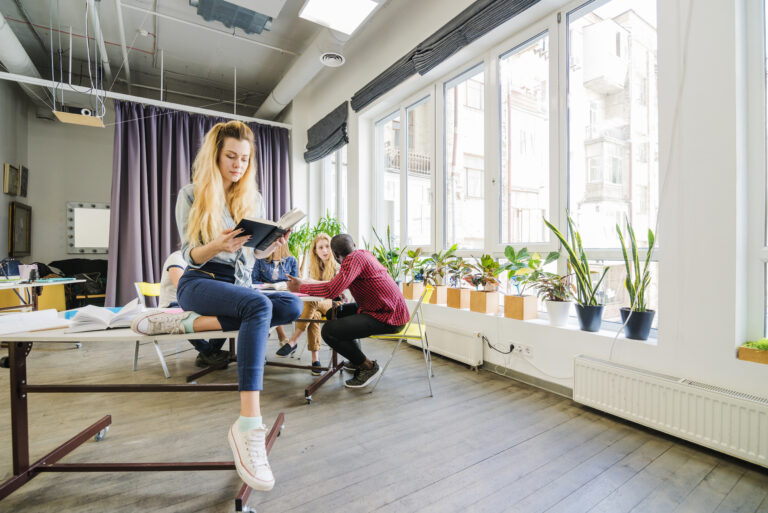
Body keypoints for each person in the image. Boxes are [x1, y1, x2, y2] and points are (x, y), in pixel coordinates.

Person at [131, 121, 302, 491]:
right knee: (258, 307)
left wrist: (268, 247)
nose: (238, 164)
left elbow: (252, 257)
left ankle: (182, 324)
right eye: (230, 156)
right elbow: (189, 253)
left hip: (237, 287)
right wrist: (217, 246)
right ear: (216, 155)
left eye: (244, 158)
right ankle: (248, 426)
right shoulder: (191, 194)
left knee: (290, 304)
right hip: (200, 281)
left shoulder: (248, 200)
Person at [287, 233, 408, 389]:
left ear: (336, 255)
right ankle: (356, 357)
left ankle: (368, 366)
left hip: (388, 317)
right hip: (381, 308)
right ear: (354, 245)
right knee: (333, 313)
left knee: (329, 331)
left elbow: (332, 290)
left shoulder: (352, 260)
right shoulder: (362, 254)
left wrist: (301, 286)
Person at [276, 233, 338, 375]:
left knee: (314, 301)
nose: (325, 250)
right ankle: (315, 360)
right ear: (315, 251)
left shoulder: (337, 265)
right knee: (314, 315)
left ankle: (293, 340)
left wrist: (312, 283)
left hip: (335, 304)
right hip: (318, 305)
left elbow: (334, 286)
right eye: (320, 247)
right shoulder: (314, 266)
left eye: (327, 246)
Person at [158, 250, 228, 368]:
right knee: (221, 314)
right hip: (174, 305)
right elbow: (182, 288)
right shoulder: (177, 258)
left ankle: (208, 354)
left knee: (227, 310)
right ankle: (208, 352)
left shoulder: (206, 260)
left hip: (191, 303)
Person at [252, 244, 298, 348]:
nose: (275, 247)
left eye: (278, 244)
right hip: (265, 292)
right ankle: (280, 336)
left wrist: (282, 285)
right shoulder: (261, 259)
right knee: (268, 304)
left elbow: (295, 283)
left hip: (283, 293)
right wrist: (268, 285)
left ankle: (264, 339)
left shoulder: (291, 260)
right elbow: (254, 280)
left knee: (270, 306)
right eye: (272, 244)